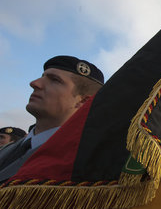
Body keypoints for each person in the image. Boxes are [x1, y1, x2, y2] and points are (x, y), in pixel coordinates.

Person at [0, 55, 104, 183]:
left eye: (55, 80)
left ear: (83, 101)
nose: (34, 83)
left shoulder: (86, 161)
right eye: (42, 76)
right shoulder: (6, 150)